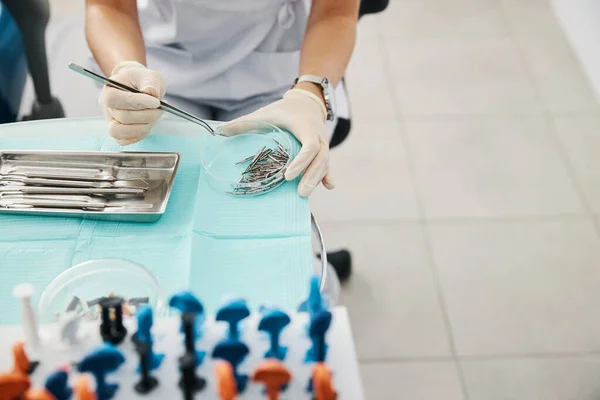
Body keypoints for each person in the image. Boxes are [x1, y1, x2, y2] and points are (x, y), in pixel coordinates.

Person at [85, 0, 360, 299]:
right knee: (158, 228)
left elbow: (336, 12)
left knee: (274, 245)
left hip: (280, 80)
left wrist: (310, 95)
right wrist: (126, 70)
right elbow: (108, 6)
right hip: (160, 73)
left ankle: (311, 272)